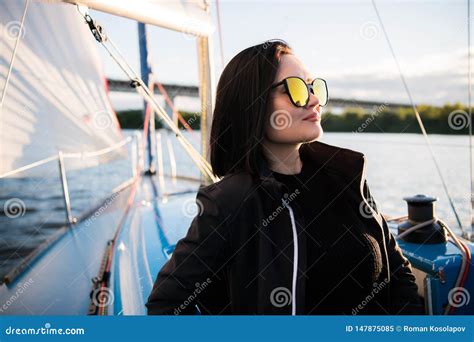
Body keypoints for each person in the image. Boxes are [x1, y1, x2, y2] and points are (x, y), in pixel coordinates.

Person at [146, 40, 423, 315]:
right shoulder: (230, 202)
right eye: (295, 89)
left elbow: (398, 275)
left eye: (314, 87)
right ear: (251, 103)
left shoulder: (347, 176)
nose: (314, 100)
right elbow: (165, 303)